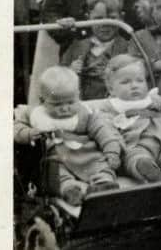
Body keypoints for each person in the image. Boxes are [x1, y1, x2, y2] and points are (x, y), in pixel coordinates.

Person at [14, 66, 121, 206]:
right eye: (57, 104)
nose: (65, 108)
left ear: (78, 95)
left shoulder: (86, 113)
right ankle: (69, 190)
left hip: (86, 155)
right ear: (42, 100)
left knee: (101, 164)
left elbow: (103, 130)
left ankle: (104, 184)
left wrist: (111, 149)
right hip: (57, 157)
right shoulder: (34, 114)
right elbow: (16, 128)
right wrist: (28, 134)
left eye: (70, 102)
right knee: (54, 173)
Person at [98, 54, 161, 183]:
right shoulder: (110, 107)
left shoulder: (155, 100)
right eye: (125, 82)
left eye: (139, 80)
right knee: (135, 159)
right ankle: (149, 172)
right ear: (111, 89)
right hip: (135, 146)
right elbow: (106, 131)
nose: (134, 85)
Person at [60, 0, 129, 100]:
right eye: (98, 18)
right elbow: (58, 79)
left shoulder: (127, 47)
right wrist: (70, 72)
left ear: (121, 18)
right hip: (83, 106)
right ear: (88, 18)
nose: (105, 24)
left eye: (111, 18)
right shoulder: (77, 46)